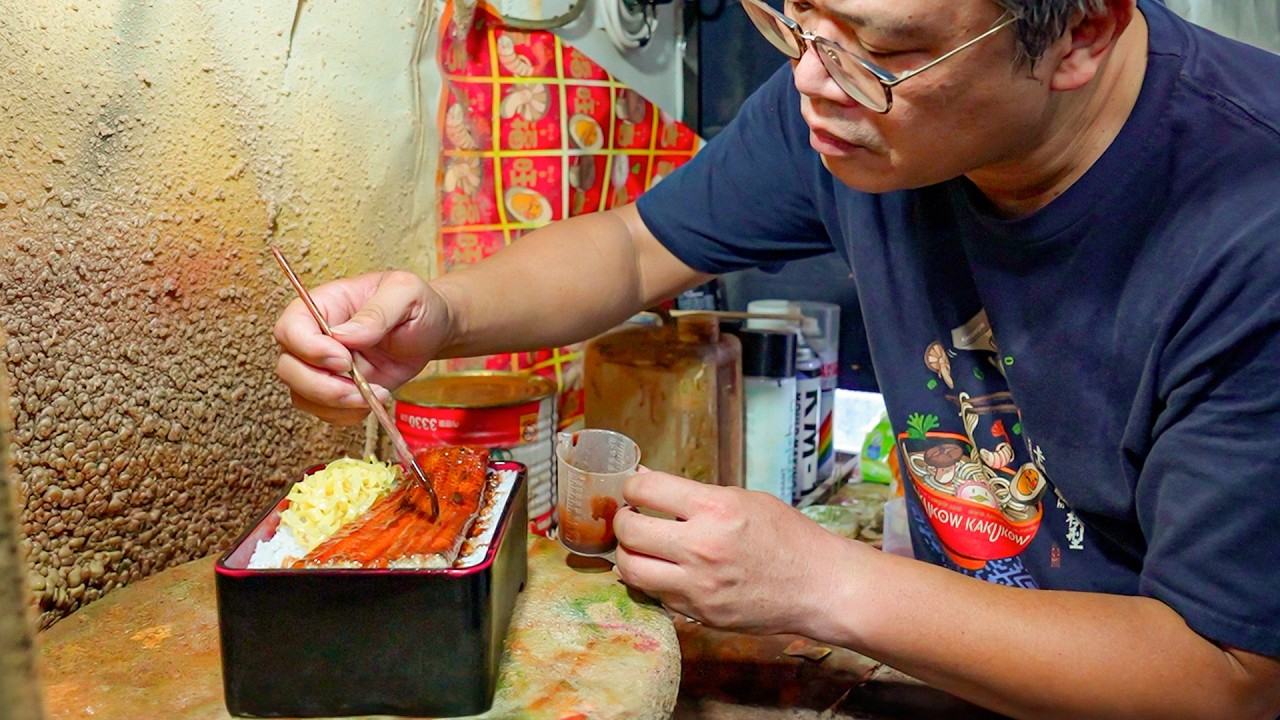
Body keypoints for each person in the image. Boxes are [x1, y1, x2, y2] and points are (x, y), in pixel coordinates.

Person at [273, 0, 1280, 716]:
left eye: (878, 51)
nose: (808, 79)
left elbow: (1223, 676)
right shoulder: (839, 94)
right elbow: (633, 247)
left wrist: (820, 585)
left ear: (1082, 32)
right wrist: (441, 312)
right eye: (789, 19)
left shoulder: (1249, 220)